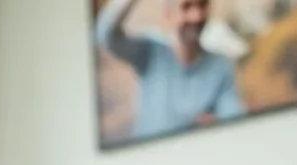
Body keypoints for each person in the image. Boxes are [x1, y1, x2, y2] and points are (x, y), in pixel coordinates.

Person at [96, 0, 245, 141]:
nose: (197, 16)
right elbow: (105, 35)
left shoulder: (220, 66)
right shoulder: (150, 51)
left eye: (202, 5)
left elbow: (234, 121)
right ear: (168, 14)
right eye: (186, 7)